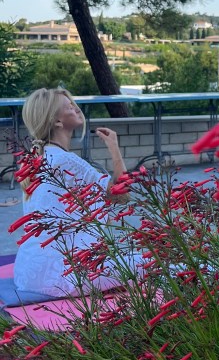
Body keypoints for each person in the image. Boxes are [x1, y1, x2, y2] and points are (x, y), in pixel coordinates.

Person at [13, 88, 131, 297]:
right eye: (70, 107)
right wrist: (114, 147)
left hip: (26, 274)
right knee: (154, 262)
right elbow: (121, 195)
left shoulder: (34, 159)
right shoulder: (67, 161)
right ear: (57, 121)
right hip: (67, 277)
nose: (76, 109)